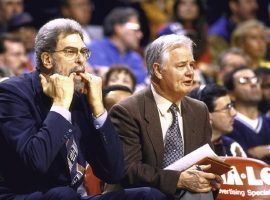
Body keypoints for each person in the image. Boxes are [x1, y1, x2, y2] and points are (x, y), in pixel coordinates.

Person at [0, 18, 168, 200]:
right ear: (47, 59)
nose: (81, 60)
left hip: (73, 197)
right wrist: (60, 105)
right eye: (71, 52)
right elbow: (36, 161)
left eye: (83, 52)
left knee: (148, 195)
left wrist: (99, 110)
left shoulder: (81, 97)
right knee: (63, 194)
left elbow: (113, 172)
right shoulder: (13, 93)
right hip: (25, 195)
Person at [109, 34, 222, 200]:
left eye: (192, 65)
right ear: (157, 70)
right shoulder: (127, 111)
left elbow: (206, 162)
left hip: (189, 193)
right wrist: (178, 180)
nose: (190, 72)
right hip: (143, 193)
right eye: (182, 66)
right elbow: (129, 169)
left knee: (201, 192)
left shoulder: (199, 110)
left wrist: (211, 177)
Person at [88, 7, 147, 85]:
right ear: (119, 28)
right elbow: (96, 77)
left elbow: (142, 77)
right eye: (135, 29)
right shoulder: (94, 49)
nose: (140, 35)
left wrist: (111, 72)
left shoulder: (135, 57)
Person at [223, 66, 270, 164]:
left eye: (255, 80)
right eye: (244, 81)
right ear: (231, 94)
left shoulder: (268, 121)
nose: (253, 84)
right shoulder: (227, 125)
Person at [190, 84, 246, 157]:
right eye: (226, 108)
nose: (234, 113)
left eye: (231, 105)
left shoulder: (232, 148)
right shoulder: (188, 149)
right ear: (207, 116)